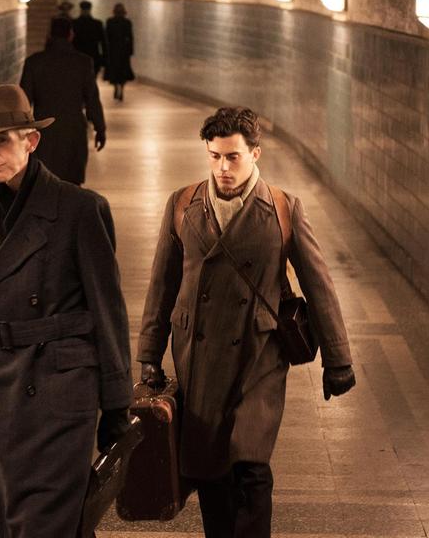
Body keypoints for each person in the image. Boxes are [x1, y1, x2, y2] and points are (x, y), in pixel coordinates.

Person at [137, 107, 356, 538]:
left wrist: (339, 360)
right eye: (215, 156)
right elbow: (162, 285)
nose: (223, 167)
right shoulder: (183, 204)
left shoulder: (282, 208)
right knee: (213, 474)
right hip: (198, 356)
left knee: (251, 465)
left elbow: (319, 284)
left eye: (233, 157)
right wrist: (148, 354)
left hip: (258, 357)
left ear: (255, 154)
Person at [0, 84, 132, 538]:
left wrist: (116, 403)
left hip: (63, 391)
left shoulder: (80, 210)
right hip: (3, 390)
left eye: (0, 141)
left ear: (31, 141)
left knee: (38, 526)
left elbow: (108, 310)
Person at [19, 17, 107, 185]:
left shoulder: (34, 62)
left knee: (43, 182)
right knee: (71, 183)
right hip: (74, 131)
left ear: (50, 36)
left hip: (43, 133)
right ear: (70, 35)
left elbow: (23, 102)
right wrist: (100, 128)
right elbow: (92, 100)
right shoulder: (83, 62)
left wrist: (21, 134)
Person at [103, 4, 135, 101]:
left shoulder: (110, 21)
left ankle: (116, 87)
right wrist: (130, 50)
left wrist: (106, 50)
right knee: (123, 72)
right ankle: (121, 89)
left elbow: (107, 37)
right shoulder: (127, 22)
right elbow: (130, 37)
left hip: (113, 51)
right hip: (123, 51)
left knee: (114, 71)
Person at [72, 0, 107, 76]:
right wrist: (104, 58)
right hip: (92, 54)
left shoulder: (74, 23)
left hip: (79, 53)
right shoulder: (97, 24)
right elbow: (103, 41)